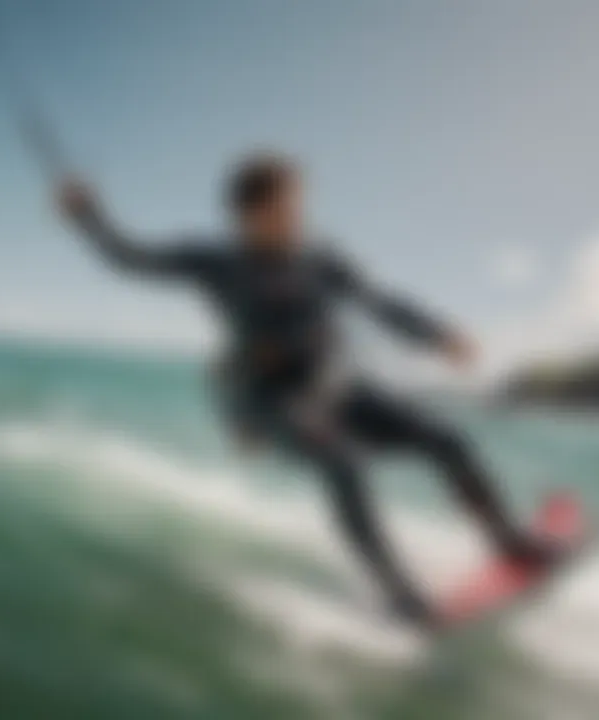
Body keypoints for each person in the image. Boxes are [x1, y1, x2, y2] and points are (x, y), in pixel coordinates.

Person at [57, 153, 556, 630]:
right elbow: (130, 258)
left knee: (449, 441)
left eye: (299, 204)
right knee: (345, 465)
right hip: (271, 400)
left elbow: (379, 302)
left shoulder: (320, 258)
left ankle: (508, 543)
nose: (298, 216)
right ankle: (399, 594)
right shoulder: (215, 259)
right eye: (285, 207)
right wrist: (88, 217)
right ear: (248, 213)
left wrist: (437, 335)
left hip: (336, 386)